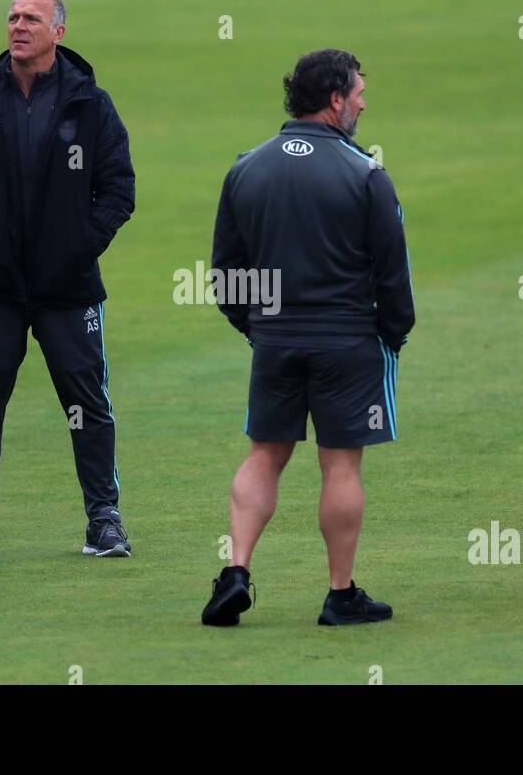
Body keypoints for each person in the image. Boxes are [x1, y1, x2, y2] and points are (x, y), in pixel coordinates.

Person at [202, 49, 414, 627]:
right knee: (340, 467)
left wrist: (256, 326)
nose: (364, 102)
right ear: (335, 101)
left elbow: (226, 272)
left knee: (264, 456)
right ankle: (340, 595)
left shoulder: (247, 168)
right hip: (347, 341)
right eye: (359, 93)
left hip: (275, 340)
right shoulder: (365, 173)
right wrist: (392, 334)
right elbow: (394, 273)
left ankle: (236, 572)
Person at [0, 0, 136, 559]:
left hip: (67, 290)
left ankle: (104, 520)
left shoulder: (91, 105)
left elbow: (118, 187)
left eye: (31, 19)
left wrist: (80, 246)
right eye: (13, 17)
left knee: (87, 404)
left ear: (58, 32)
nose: (18, 26)